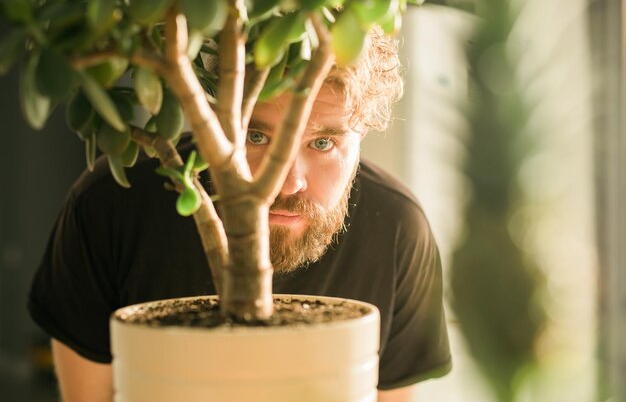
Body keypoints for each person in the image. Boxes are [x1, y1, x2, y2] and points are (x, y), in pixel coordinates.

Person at [27, 27, 451, 402]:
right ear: (214, 114)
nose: (288, 183)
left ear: (362, 135)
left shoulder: (397, 230)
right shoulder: (111, 204)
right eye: (256, 135)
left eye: (323, 144)